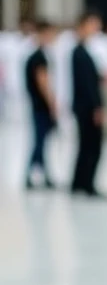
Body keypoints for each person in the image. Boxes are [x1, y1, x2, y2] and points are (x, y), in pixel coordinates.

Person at [71, 10, 107, 196]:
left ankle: (79, 183)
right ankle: (87, 184)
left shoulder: (82, 51)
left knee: (85, 145)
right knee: (91, 146)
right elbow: (87, 85)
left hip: (84, 107)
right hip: (87, 108)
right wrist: (97, 108)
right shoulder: (80, 53)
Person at [24, 20, 58, 190]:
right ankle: (29, 174)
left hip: (37, 104)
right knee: (40, 141)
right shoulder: (39, 57)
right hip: (41, 106)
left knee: (41, 141)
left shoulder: (34, 55)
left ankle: (44, 175)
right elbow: (42, 82)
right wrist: (52, 103)